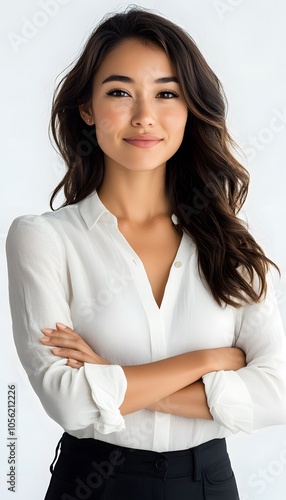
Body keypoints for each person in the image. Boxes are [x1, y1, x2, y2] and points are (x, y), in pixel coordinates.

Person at [6, 7, 286, 500]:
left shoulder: (231, 242)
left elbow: (276, 394)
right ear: (87, 109)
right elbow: (69, 403)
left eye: (166, 93)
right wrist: (211, 358)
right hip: (92, 484)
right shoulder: (43, 239)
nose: (144, 116)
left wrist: (112, 381)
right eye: (119, 92)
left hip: (208, 485)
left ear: (190, 107)